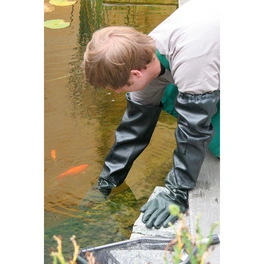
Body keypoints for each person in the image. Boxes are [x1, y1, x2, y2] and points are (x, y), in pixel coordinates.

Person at [81, 0, 220, 229]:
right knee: (164, 97)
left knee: (216, 138)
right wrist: (106, 181)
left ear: (135, 73)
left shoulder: (192, 60)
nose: (117, 92)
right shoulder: (144, 53)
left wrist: (175, 192)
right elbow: (135, 125)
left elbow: (194, 129)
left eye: (121, 87)